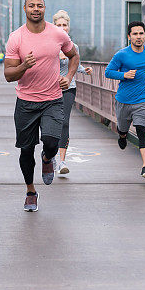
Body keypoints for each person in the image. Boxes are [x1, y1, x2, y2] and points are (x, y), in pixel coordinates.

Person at [4, 0, 79, 212]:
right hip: (26, 102)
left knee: (51, 141)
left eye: (40, 6)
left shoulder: (57, 33)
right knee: (26, 150)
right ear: (24, 9)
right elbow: (8, 75)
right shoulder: (16, 38)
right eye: (31, 6)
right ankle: (30, 191)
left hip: (53, 100)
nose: (36, 9)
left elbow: (73, 55)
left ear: (45, 9)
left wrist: (70, 77)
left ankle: (48, 157)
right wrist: (23, 66)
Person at [105, 21, 145, 179]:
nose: (138, 37)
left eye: (141, 33)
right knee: (122, 128)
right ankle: (122, 135)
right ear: (129, 37)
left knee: (143, 132)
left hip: (142, 101)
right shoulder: (121, 55)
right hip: (123, 101)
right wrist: (124, 75)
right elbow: (108, 72)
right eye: (135, 34)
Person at [51, 10, 92, 175]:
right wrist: (56, 57)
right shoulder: (48, 44)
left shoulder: (73, 47)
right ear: (53, 26)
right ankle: (50, 155)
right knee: (51, 123)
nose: (62, 28)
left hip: (68, 87)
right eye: (58, 25)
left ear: (68, 27)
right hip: (49, 88)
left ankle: (62, 161)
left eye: (64, 25)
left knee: (64, 122)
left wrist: (84, 70)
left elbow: (76, 65)